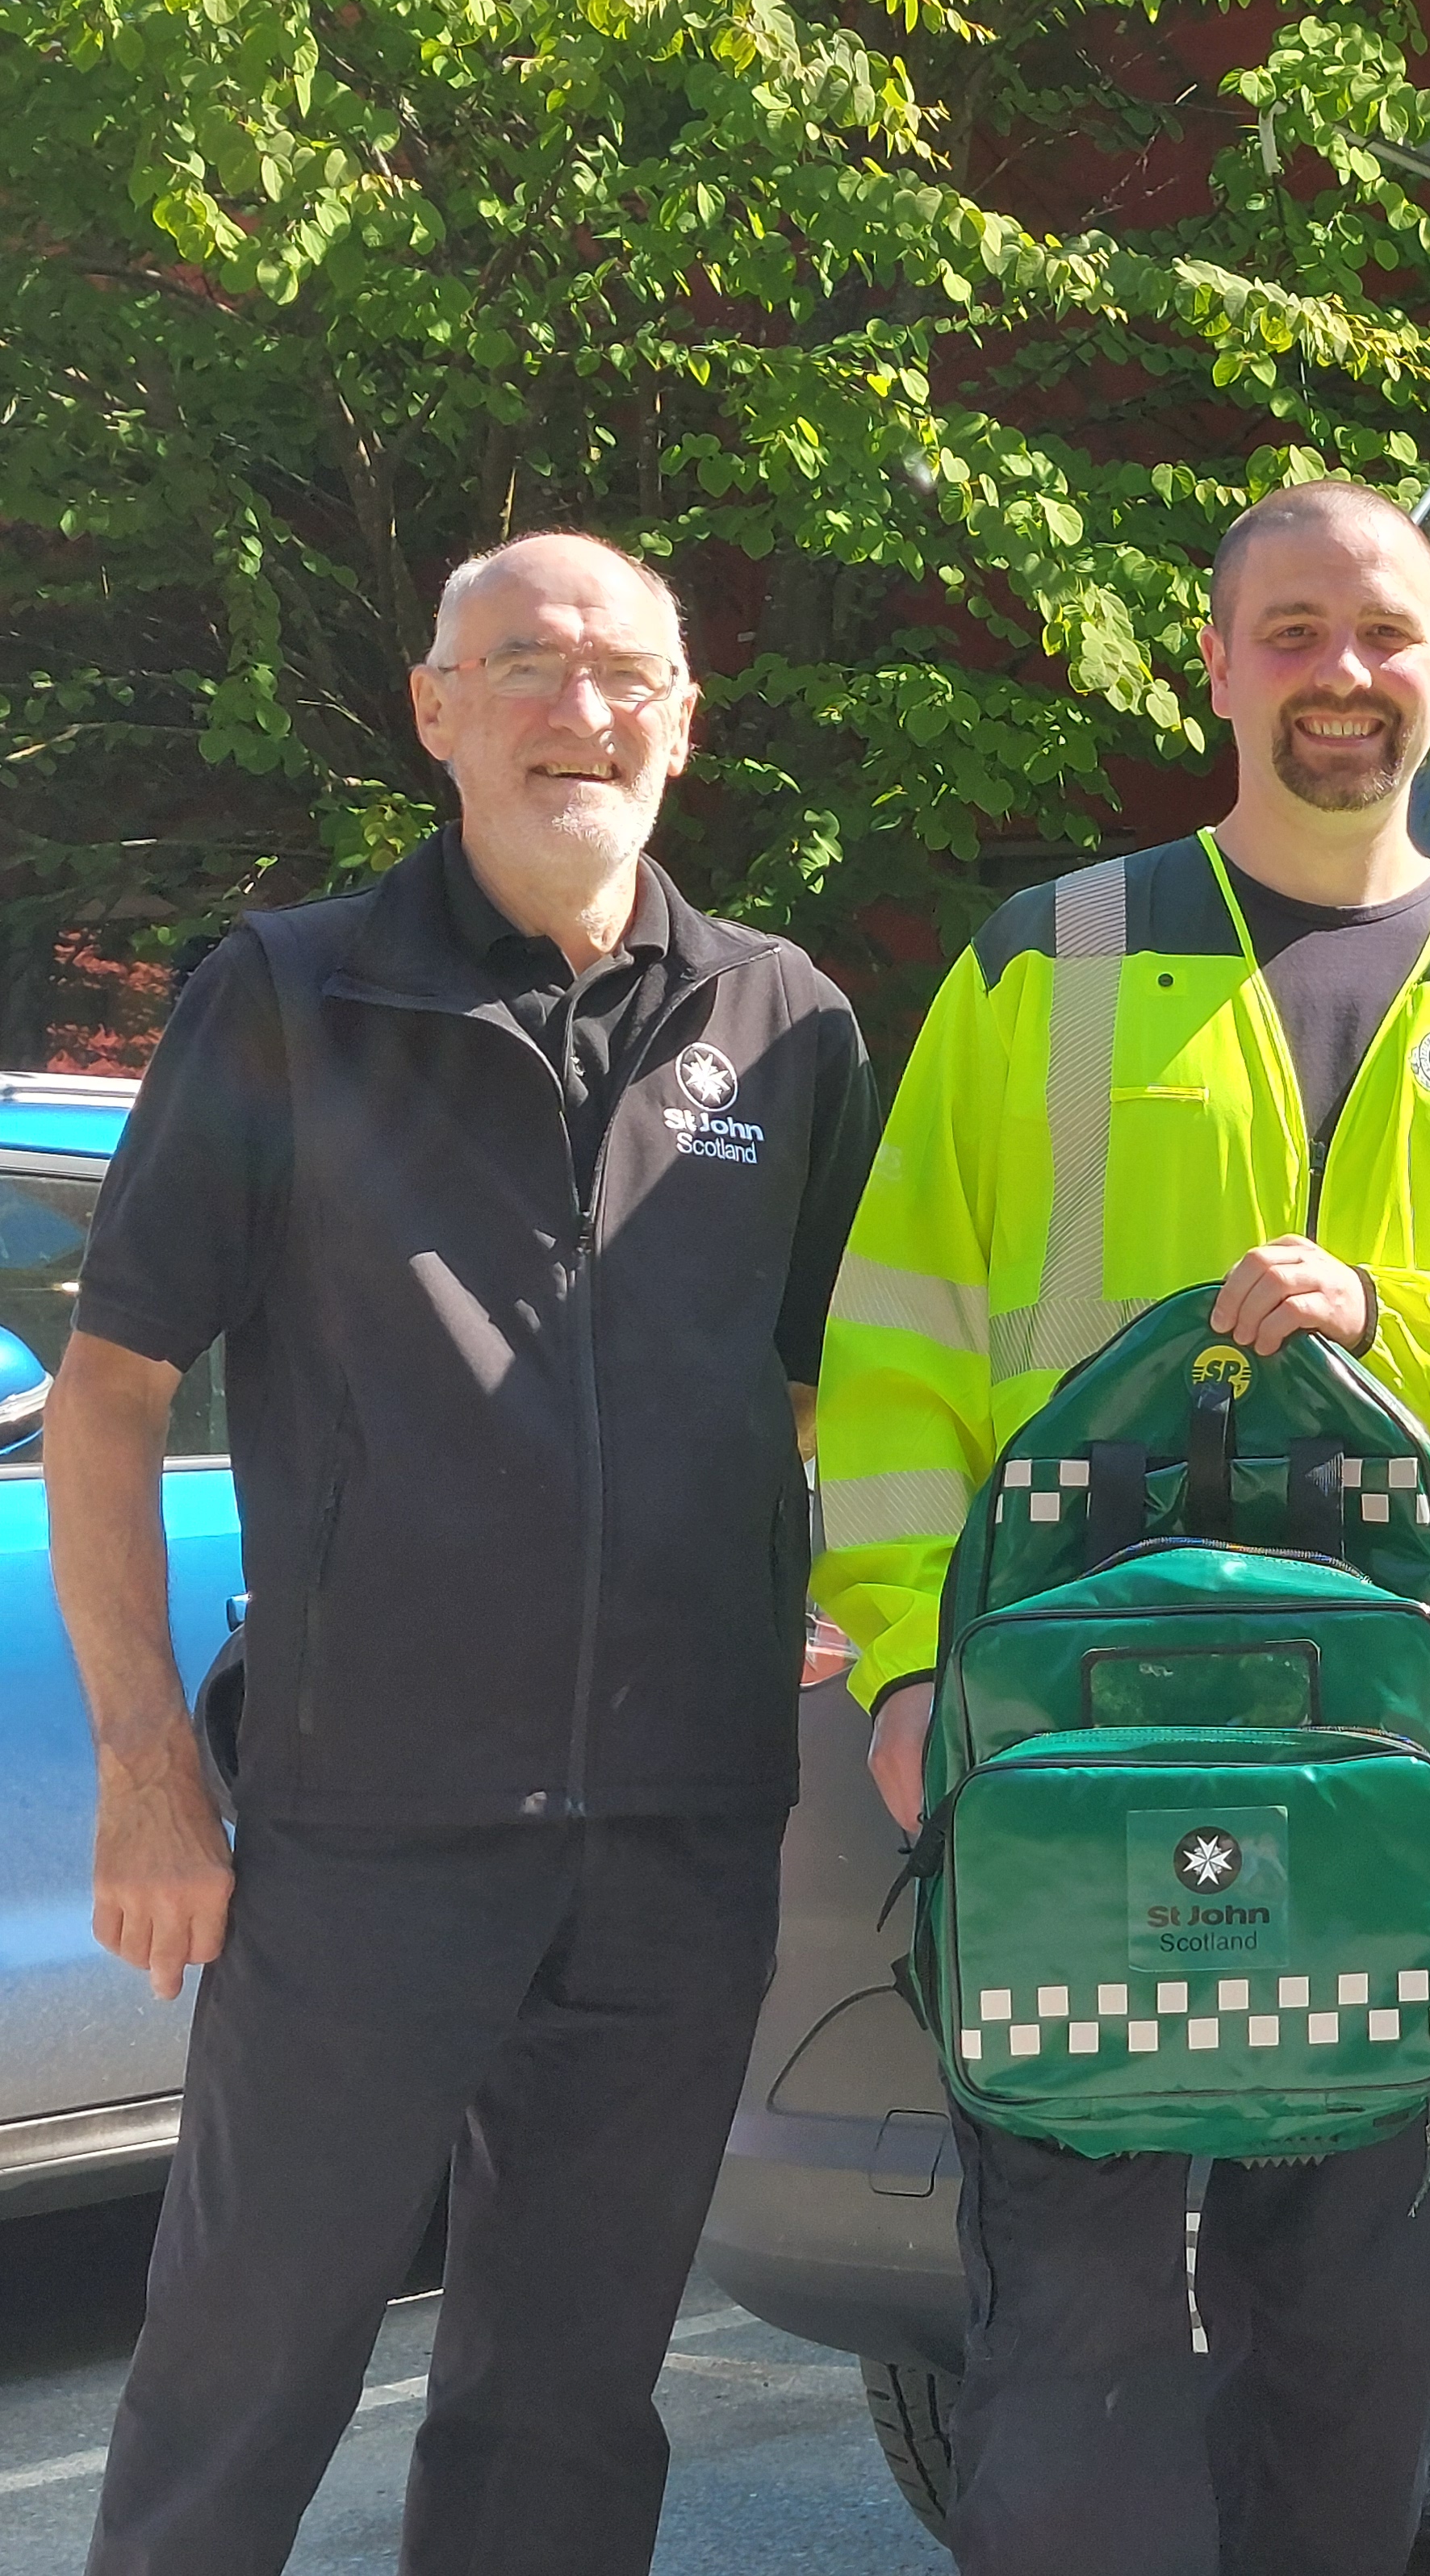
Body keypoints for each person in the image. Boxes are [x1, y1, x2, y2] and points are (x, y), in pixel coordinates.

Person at [812, 478, 1430, 2576]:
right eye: (1292, 632)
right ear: (1213, 666)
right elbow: (900, 1346)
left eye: (1385, 632)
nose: (1344, 675)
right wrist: (908, 1660)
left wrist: (1398, 1313)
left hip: (1404, 1751)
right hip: (1062, 1735)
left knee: (1352, 2321)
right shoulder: (1049, 959)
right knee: (1072, 2318)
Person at [48, 532, 877, 2574]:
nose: (574, 712)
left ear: (683, 721)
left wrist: (792, 1574)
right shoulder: (289, 994)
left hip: (680, 1827)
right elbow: (112, 1391)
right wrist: (155, 1778)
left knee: (570, 2401)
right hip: (365, 1830)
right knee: (249, 2366)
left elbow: (821, 1385)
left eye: (621, 676)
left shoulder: (785, 1022)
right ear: (437, 710)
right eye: (522, 666)